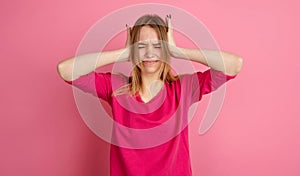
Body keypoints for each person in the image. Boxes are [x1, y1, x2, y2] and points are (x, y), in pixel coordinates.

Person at [57, 14, 243, 176]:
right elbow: (65, 70)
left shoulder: (183, 88)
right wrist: (122, 54)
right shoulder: (117, 87)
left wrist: (178, 51)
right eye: (141, 46)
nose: (149, 53)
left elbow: (234, 64)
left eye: (157, 46)